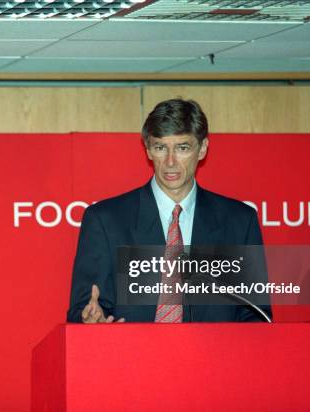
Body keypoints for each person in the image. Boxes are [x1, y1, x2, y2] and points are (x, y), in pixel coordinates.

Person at [67, 98, 271, 323]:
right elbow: (84, 309)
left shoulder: (239, 222)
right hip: (131, 357)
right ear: (148, 150)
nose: (170, 162)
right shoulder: (106, 220)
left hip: (215, 357)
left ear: (202, 149)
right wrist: (91, 320)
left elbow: (256, 316)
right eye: (160, 147)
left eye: (182, 148)